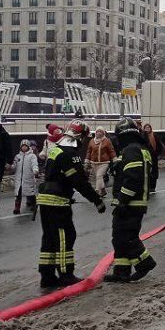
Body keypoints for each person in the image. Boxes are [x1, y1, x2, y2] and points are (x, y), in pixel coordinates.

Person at [35, 120, 106, 288]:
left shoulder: (56, 149)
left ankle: (47, 276)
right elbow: (79, 182)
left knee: (49, 238)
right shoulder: (70, 153)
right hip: (57, 201)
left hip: (46, 199)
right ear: (79, 135)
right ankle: (66, 274)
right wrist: (96, 201)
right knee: (65, 236)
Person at [103, 118, 157, 283]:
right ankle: (121, 271)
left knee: (126, 237)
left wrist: (122, 200)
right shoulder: (139, 149)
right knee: (119, 237)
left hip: (130, 203)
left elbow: (133, 178)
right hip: (136, 202)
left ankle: (145, 263)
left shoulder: (131, 151)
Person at [12, 139, 40, 215]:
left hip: (28, 178)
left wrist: (35, 170)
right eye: (22, 146)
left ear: (28, 147)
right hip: (19, 179)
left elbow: (34, 164)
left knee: (30, 193)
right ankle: (17, 208)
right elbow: (14, 165)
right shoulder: (17, 156)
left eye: (25, 146)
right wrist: (11, 167)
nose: (24, 148)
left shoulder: (32, 156)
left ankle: (34, 205)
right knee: (18, 193)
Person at [86, 127, 116, 197]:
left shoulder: (107, 141)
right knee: (98, 177)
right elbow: (88, 152)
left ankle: (97, 190)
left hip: (104, 162)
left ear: (103, 133)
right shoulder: (91, 141)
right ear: (95, 133)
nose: (99, 133)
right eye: (97, 132)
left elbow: (111, 151)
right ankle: (103, 191)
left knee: (99, 176)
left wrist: (114, 159)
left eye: (101, 132)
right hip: (93, 162)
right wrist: (87, 161)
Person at [142, 122, 163, 193]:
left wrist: (157, 153)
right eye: (146, 128)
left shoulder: (154, 135)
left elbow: (159, 145)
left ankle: (153, 187)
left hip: (153, 156)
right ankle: (146, 186)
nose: (147, 129)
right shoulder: (142, 136)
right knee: (146, 172)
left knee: (153, 172)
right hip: (145, 157)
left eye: (148, 127)